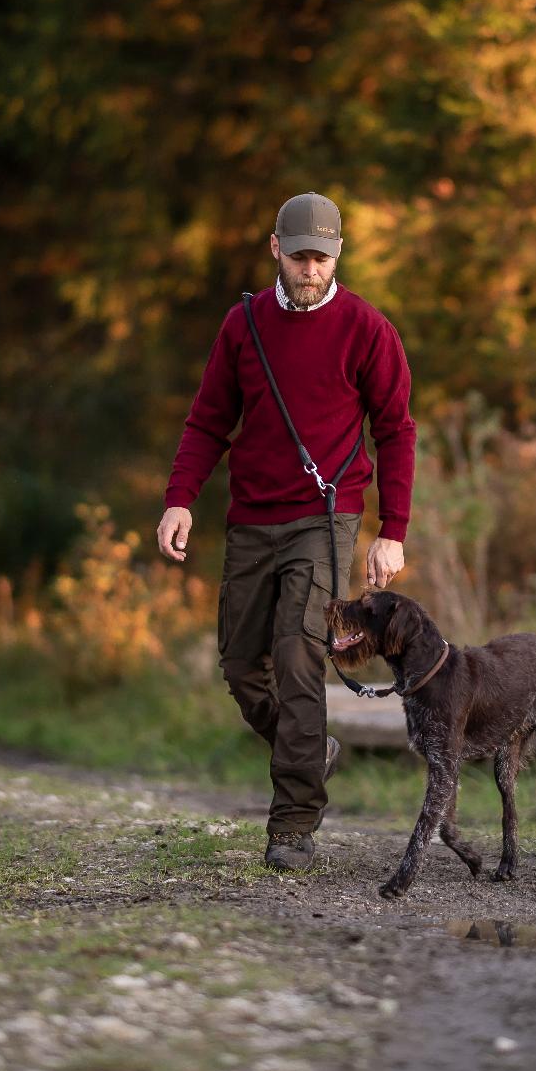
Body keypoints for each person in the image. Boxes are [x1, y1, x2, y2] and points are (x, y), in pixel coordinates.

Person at [157, 191, 416, 871]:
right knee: (243, 668)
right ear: (276, 249)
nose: (311, 270)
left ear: (338, 257)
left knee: (301, 655)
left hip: (325, 519)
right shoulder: (242, 325)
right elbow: (208, 420)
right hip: (250, 518)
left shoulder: (367, 329)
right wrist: (180, 498)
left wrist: (393, 530)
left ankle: (293, 824)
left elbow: (395, 431)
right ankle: (312, 752)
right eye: (300, 256)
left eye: (323, 258)